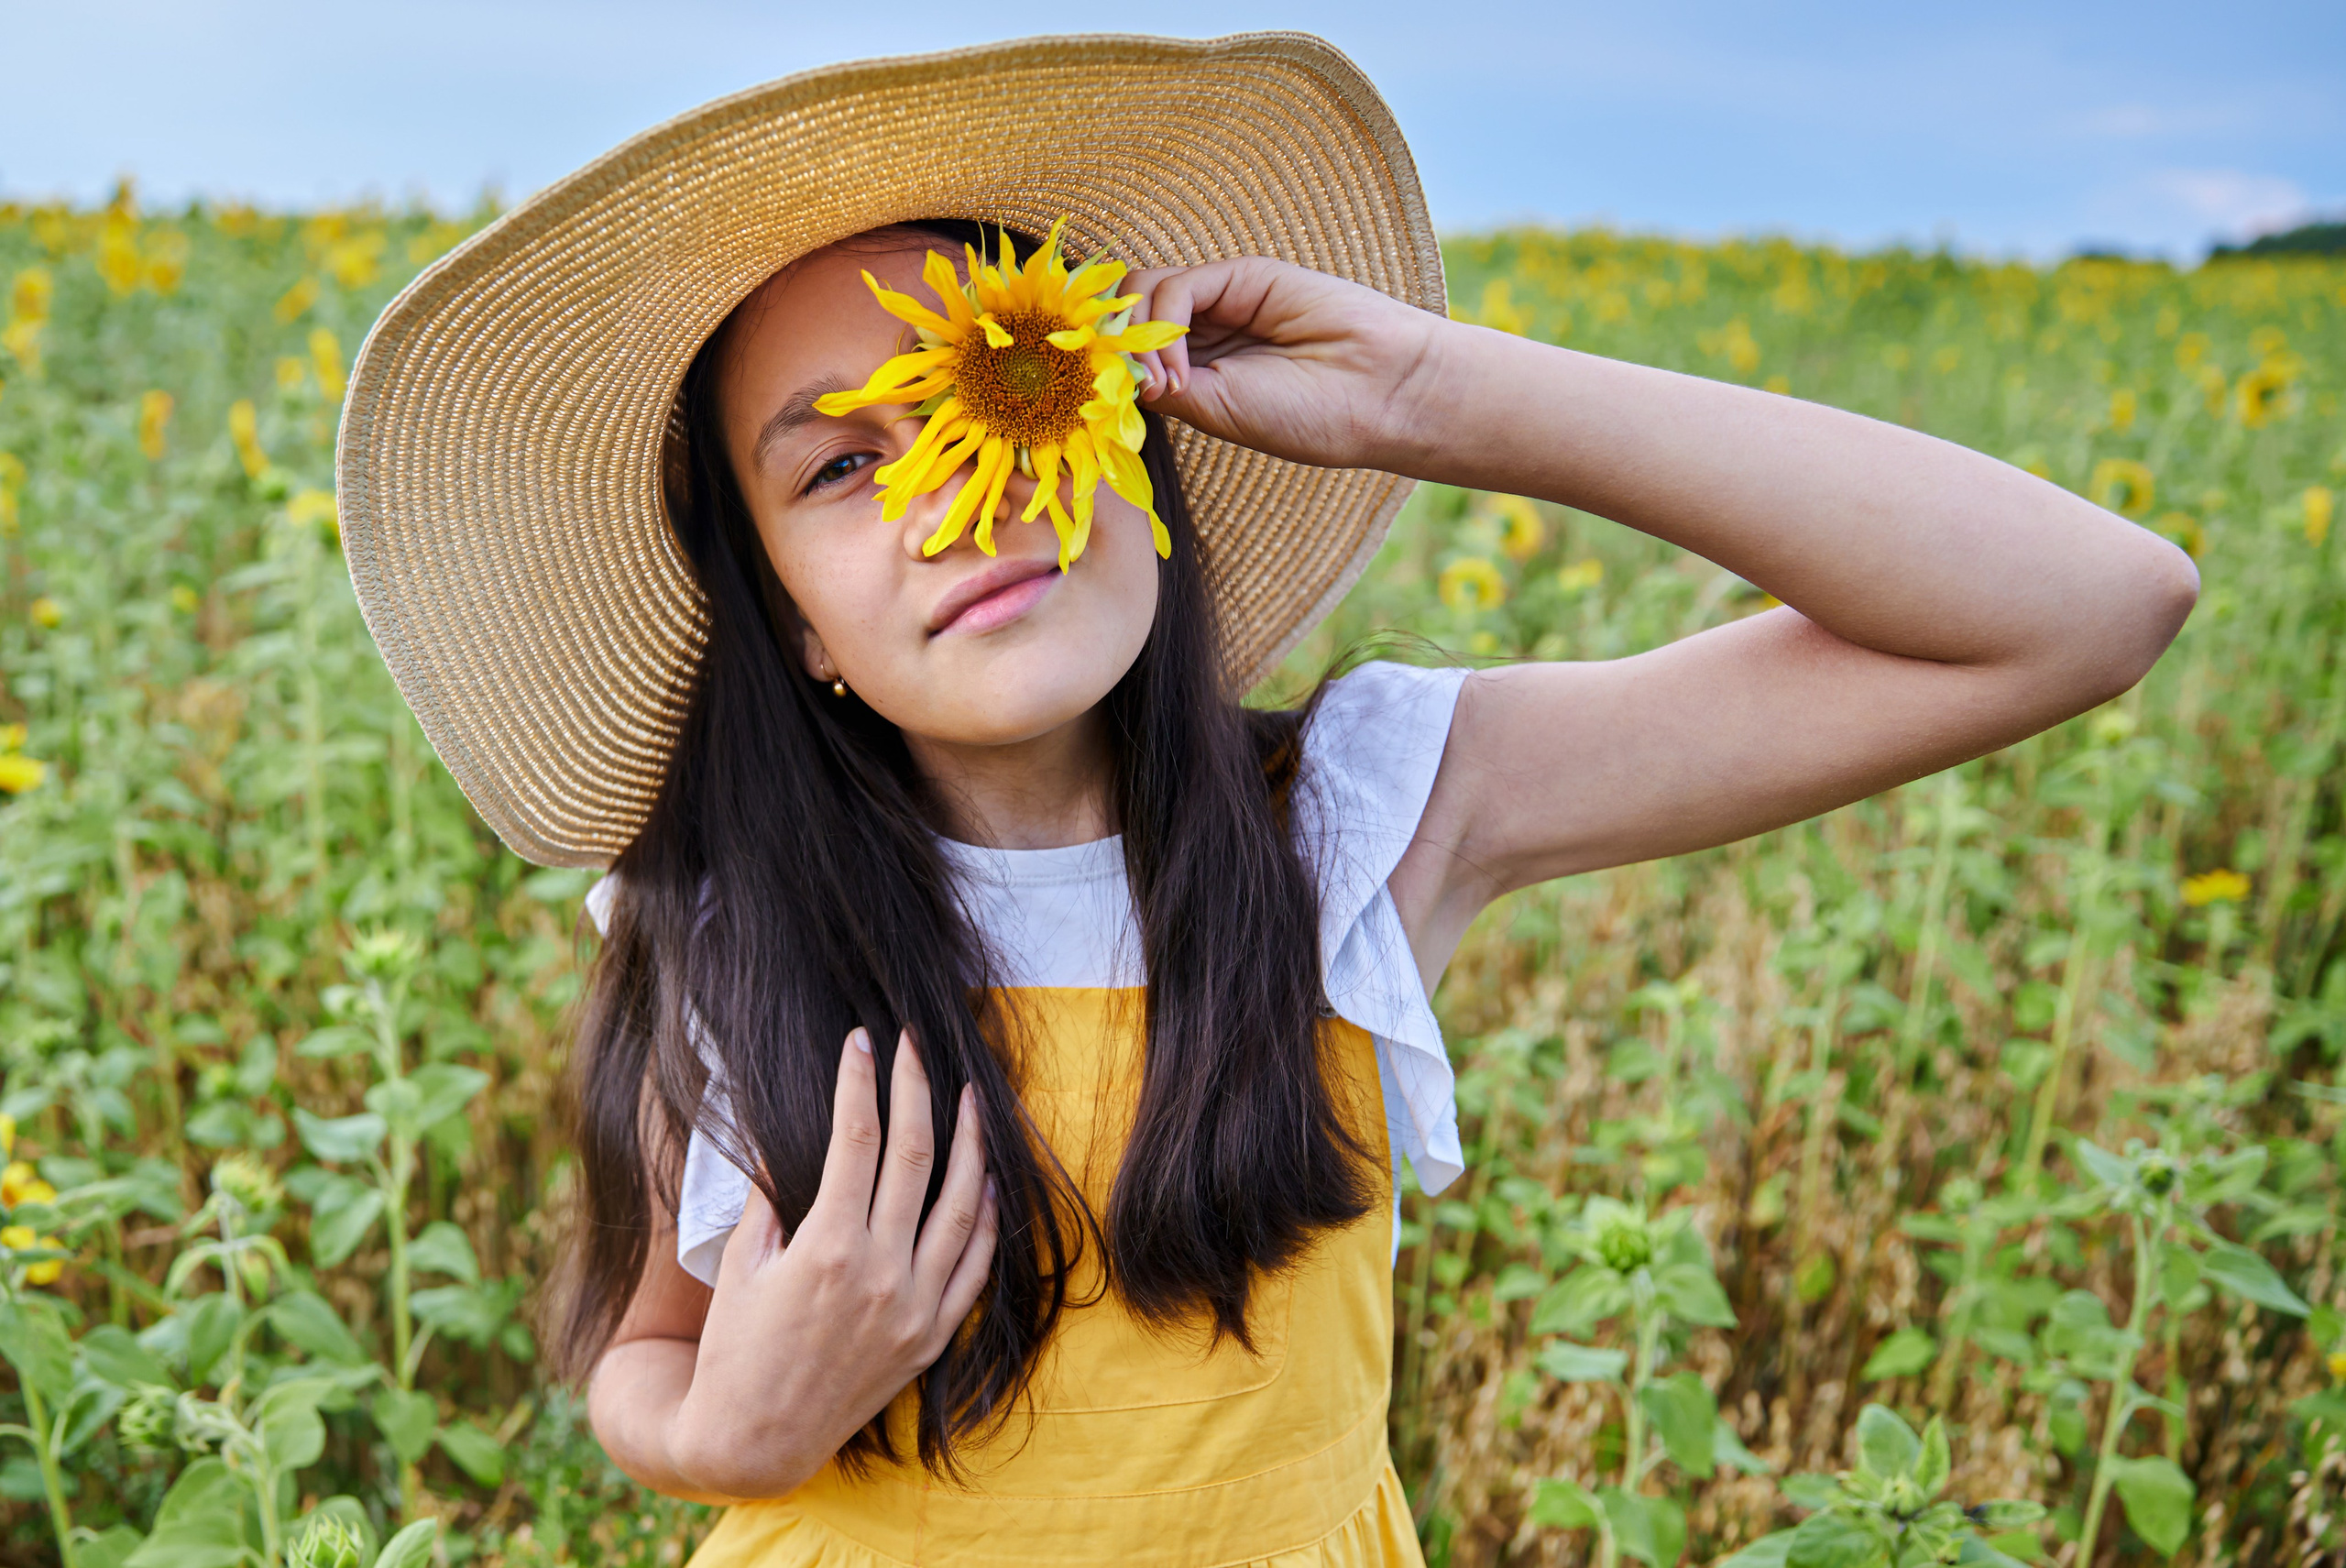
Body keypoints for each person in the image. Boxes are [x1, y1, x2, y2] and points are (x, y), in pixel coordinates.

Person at [334, 33, 2196, 1568]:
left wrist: (1421, 391)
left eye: (1006, 381)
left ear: (1132, 417)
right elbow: (637, 1352)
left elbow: (2080, 609)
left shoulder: (1356, 823)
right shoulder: (740, 923)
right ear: (795, 629)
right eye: (838, 466)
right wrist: (727, 1422)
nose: (955, 490)